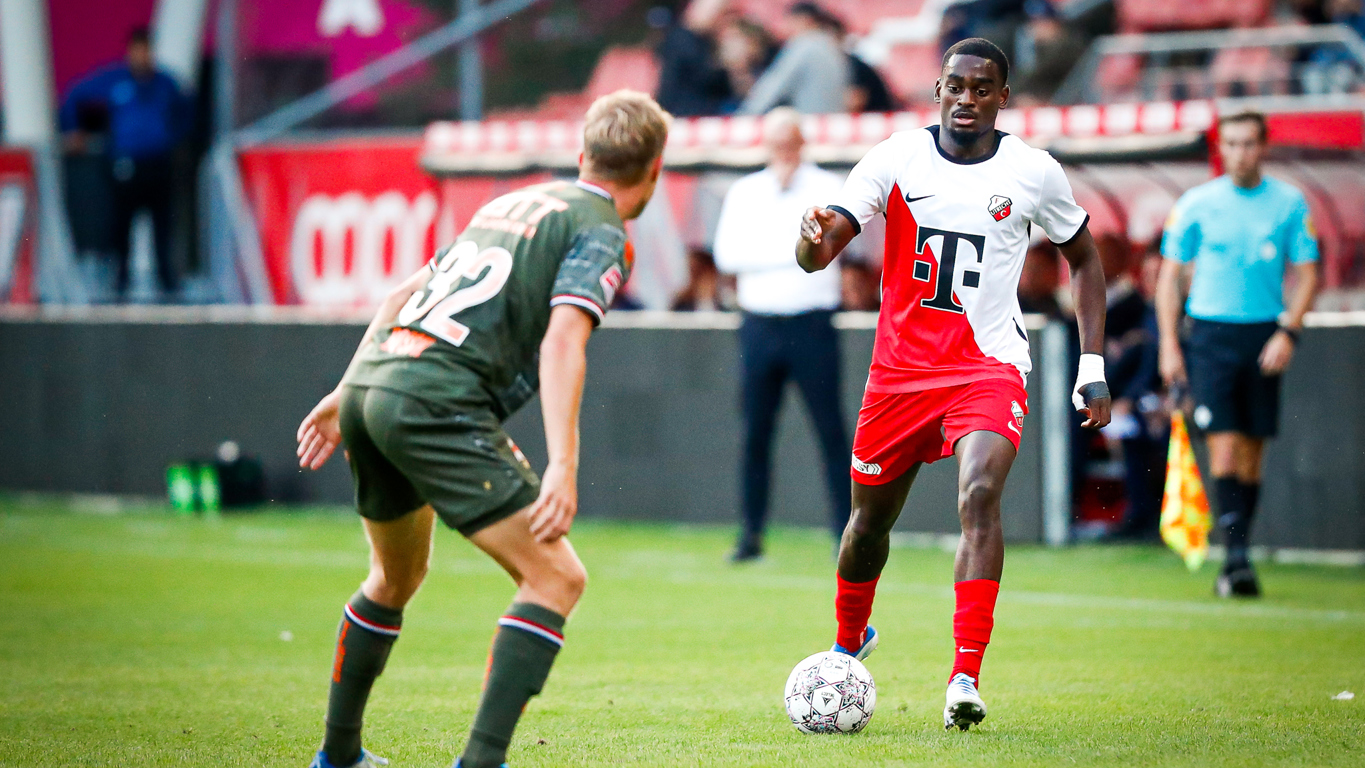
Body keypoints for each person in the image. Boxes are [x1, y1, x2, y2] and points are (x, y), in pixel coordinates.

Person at [294, 90, 670, 768]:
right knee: (555, 577)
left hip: (375, 385)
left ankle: (339, 755)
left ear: (582, 152)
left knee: (394, 577)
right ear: (654, 168)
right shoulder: (602, 231)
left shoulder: (510, 204)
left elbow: (401, 295)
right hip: (434, 403)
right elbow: (563, 341)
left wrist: (348, 390)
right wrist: (563, 465)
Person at [795, 38, 1111, 731]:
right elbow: (819, 255)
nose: (966, 99)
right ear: (936, 89)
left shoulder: (1033, 172)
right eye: (955, 86)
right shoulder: (894, 158)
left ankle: (964, 675)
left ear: (1003, 97)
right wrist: (808, 237)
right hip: (899, 376)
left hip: (987, 366)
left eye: (981, 88)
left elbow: (1085, 261)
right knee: (867, 525)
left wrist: (1091, 366)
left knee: (979, 494)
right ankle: (848, 643)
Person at [1155, 111, 1320, 599]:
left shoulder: (1289, 203)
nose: (1239, 153)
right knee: (1224, 445)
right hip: (1210, 337)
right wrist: (1169, 343)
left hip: (1264, 334)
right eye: (1230, 144)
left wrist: (1288, 333)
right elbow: (1169, 276)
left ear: (1263, 147)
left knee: (1251, 454)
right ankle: (1236, 559)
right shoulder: (1196, 204)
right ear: (1219, 148)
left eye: (1248, 143)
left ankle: (1238, 555)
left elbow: (1309, 274)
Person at [713, 107, 851, 562]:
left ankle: (846, 532)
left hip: (811, 322)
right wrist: (794, 250)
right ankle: (750, 534)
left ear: (802, 143)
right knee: (755, 432)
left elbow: (830, 249)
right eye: (777, 143)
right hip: (759, 324)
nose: (784, 152)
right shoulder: (746, 191)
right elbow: (728, 255)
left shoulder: (826, 187)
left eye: (790, 142)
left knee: (831, 431)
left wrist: (774, 251)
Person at [59, 27, 191, 302]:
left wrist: (173, 139)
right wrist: (74, 130)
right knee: (121, 226)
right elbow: (75, 94)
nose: (141, 56)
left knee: (163, 227)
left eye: (146, 50)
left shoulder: (166, 83)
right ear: (130, 52)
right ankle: (119, 282)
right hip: (125, 167)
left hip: (159, 165)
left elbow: (186, 112)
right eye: (137, 50)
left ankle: (168, 285)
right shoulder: (115, 80)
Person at [736, 2, 850, 115]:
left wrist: (746, 115)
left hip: (809, 119)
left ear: (804, 20)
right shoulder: (832, 45)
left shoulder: (804, 45)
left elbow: (775, 85)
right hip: (833, 119)